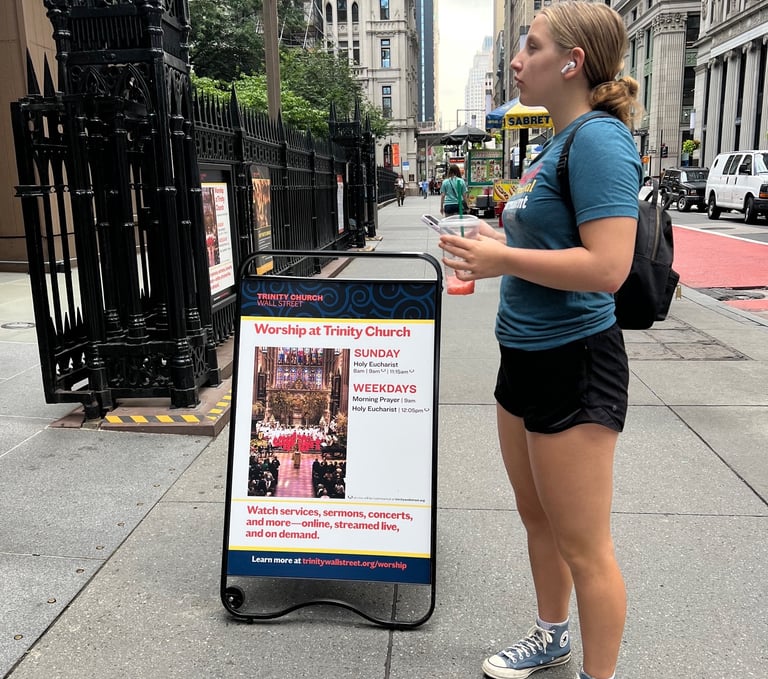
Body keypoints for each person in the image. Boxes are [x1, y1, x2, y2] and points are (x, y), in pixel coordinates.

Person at [439, 3, 642, 679]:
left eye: (532, 47)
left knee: (585, 545)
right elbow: (551, 240)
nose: (519, 61)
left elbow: (608, 267)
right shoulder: (555, 143)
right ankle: (551, 635)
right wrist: (501, 242)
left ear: (572, 62)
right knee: (538, 520)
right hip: (522, 356)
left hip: (575, 361)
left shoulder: (601, 141)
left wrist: (505, 261)